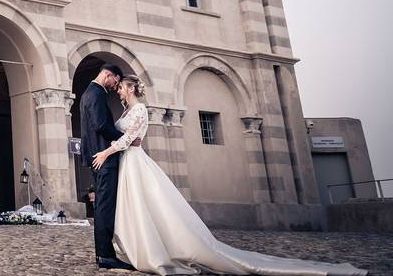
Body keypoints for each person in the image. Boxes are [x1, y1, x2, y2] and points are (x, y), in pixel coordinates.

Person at [91, 75, 368, 276]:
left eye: (122, 88)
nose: (118, 92)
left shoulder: (139, 109)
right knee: (136, 208)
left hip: (134, 159)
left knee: (147, 206)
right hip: (127, 163)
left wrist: (105, 153)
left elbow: (130, 137)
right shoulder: (127, 109)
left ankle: (155, 251)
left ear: (130, 88)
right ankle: (137, 248)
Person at [80, 63, 135, 271]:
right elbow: (102, 125)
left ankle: (102, 254)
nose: (115, 86)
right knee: (105, 206)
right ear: (108, 75)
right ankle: (105, 255)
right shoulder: (97, 94)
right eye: (116, 81)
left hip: (97, 156)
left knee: (102, 205)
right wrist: (125, 139)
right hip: (104, 158)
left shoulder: (88, 92)